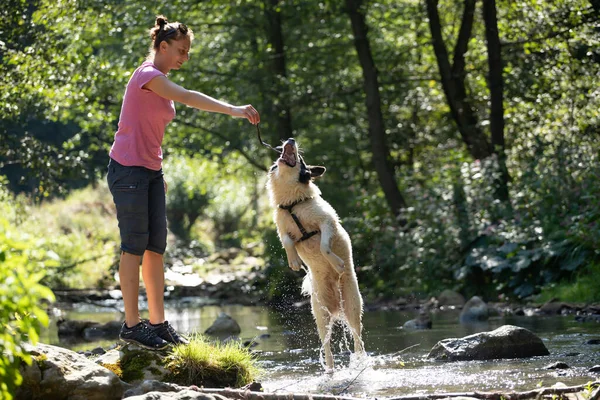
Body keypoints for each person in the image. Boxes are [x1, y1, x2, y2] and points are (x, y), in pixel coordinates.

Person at [107, 15, 260, 350]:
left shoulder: (160, 78)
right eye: (181, 50)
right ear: (162, 46)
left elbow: (152, 132)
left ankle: (158, 323)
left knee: (155, 248)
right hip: (128, 170)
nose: (185, 57)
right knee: (133, 245)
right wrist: (234, 110)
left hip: (148, 171)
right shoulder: (148, 75)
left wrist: (156, 172)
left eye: (188, 51)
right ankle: (132, 326)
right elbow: (190, 96)